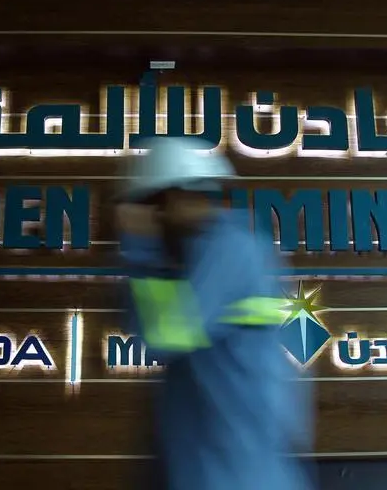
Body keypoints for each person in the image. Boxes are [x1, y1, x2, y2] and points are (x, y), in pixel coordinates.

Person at [114, 137, 315, 490]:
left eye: (155, 205)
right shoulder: (186, 261)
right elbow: (141, 324)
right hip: (203, 460)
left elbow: (164, 334)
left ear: (177, 197)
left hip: (236, 466)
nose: (153, 218)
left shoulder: (229, 249)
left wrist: (141, 248)